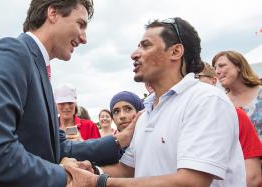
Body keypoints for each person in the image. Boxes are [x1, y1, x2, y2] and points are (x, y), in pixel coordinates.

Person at [0, 1, 136, 187]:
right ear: (53, 13)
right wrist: (67, 176)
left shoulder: (38, 68)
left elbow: (58, 147)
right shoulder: (11, 52)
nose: (84, 38)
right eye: (80, 24)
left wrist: (120, 140)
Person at [64, 17, 245, 187]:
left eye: (146, 46)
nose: (134, 54)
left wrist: (99, 182)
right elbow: (128, 169)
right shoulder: (147, 113)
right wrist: (92, 170)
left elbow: (191, 181)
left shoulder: (206, 100)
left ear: (175, 51)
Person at [197, 61, 262, 187]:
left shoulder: (231, 112)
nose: (218, 70)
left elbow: (252, 177)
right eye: (215, 67)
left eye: (197, 77)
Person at [212, 50, 262, 140]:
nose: (217, 71)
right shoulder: (220, 102)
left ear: (238, 66)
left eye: (222, 66)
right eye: (215, 68)